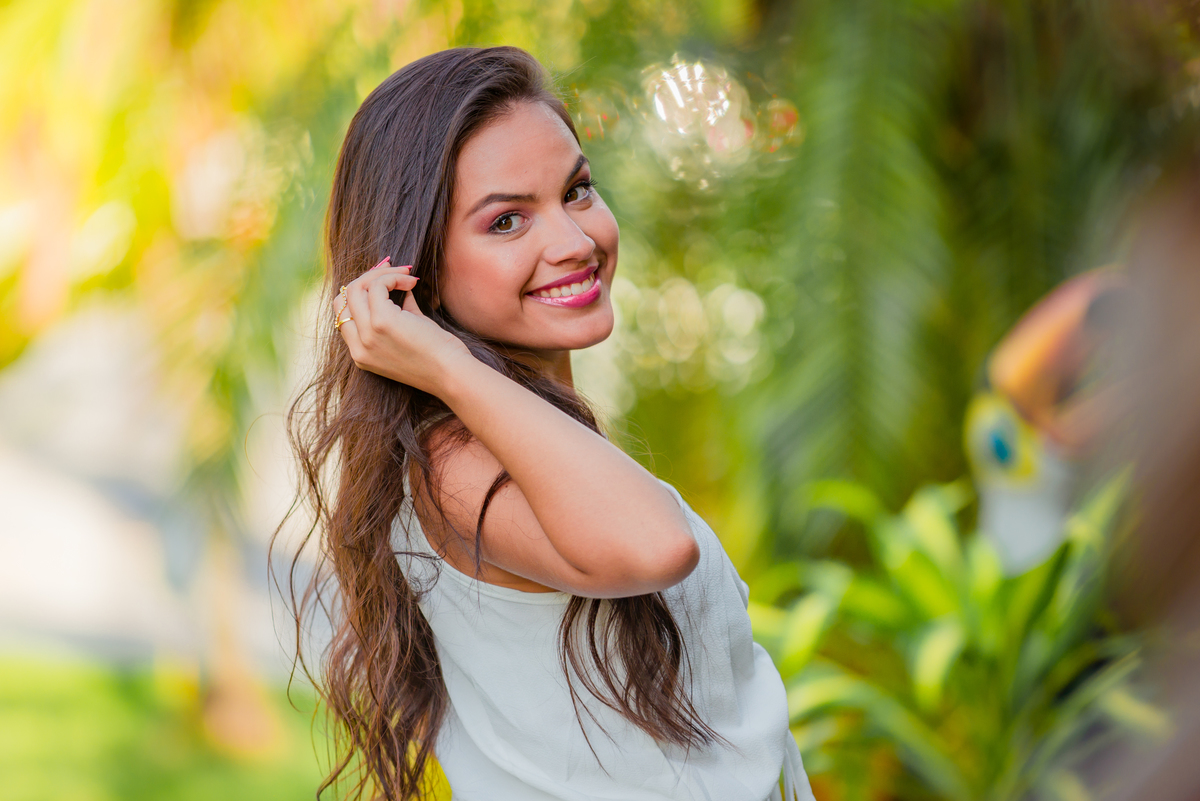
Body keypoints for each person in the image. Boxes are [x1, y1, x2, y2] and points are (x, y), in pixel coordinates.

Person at [281, 46, 814, 801]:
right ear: (414, 272)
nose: (573, 241)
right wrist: (446, 364)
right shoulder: (455, 466)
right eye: (506, 221)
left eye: (578, 190)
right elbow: (658, 546)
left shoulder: (524, 438)